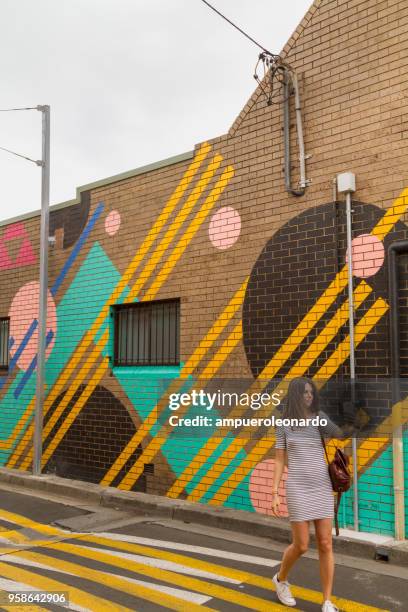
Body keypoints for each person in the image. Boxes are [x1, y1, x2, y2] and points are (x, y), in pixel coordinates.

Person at [271, 377, 356, 612]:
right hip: (297, 487)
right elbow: (280, 459)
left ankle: (327, 601)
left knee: (326, 543)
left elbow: (339, 434)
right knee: (301, 545)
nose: (309, 396)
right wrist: (274, 492)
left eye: (311, 392)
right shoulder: (284, 424)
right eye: (305, 392)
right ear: (296, 395)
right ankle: (280, 579)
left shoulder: (320, 417)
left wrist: (350, 417)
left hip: (321, 485)